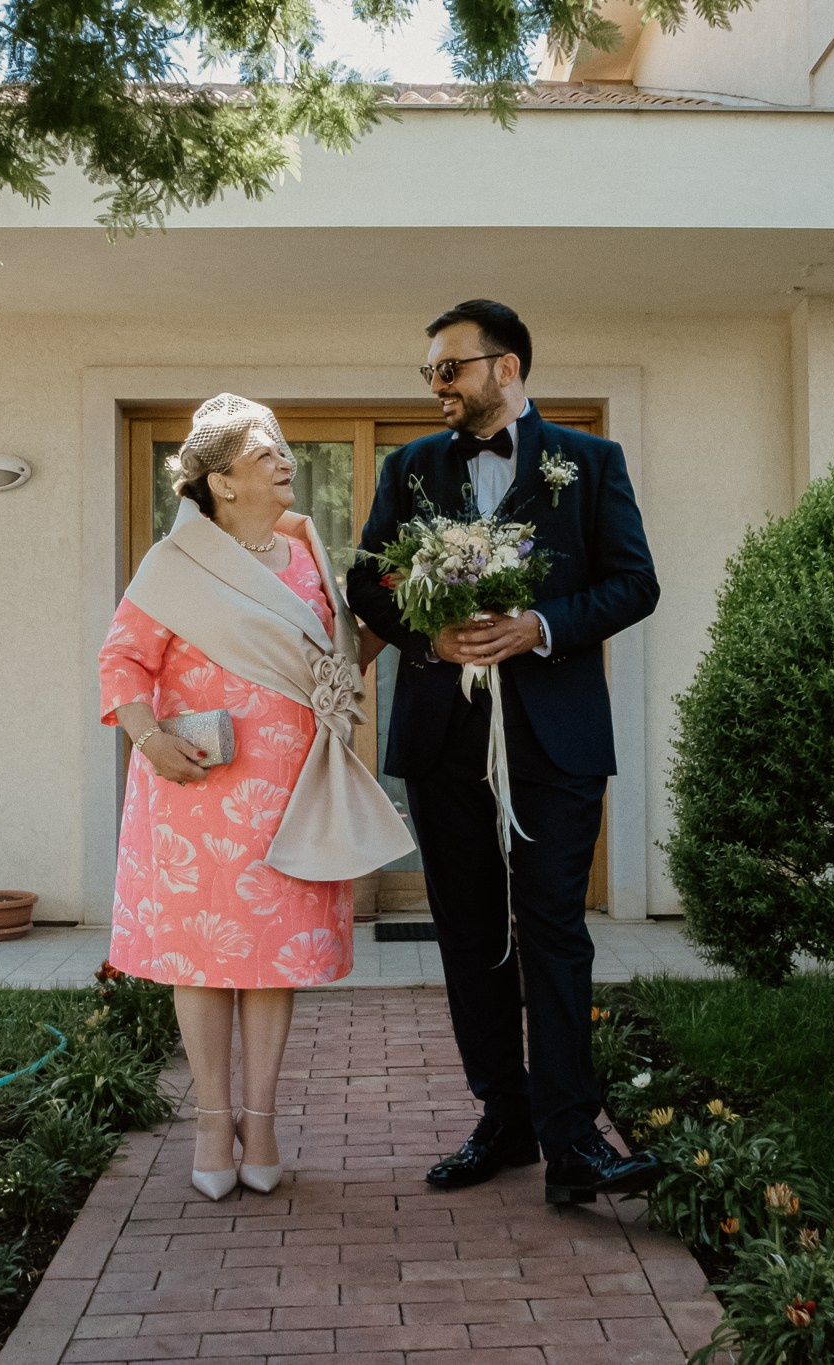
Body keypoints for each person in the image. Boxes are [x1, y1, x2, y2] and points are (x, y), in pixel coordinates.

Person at [347, 300, 664, 1205]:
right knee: (472, 936)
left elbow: (635, 583)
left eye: (452, 368)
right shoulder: (410, 469)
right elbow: (369, 581)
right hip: (446, 742)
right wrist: (425, 641)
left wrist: (541, 626)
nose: (438, 386)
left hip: (555, 743)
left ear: (508, 368)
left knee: (556, 931)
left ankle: (576, 1140)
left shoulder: (589, 463)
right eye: (431, 373)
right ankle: (505, 1118)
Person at [101, 393, 412, 1201]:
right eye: (265, 451)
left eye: (282, 448)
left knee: (269, 959)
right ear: (221, 482)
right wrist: (148, 737)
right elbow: (123, 661)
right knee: (203, 962)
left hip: (290, 788)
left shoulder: (308, 553)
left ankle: (262, 1118)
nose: (285, 460)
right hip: (196, 787)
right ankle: (212, 1120)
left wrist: (413, 606)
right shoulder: (173, 564)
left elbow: (341, 655)